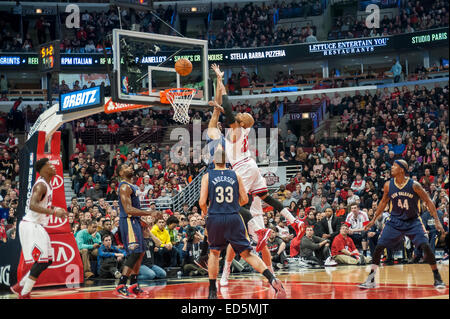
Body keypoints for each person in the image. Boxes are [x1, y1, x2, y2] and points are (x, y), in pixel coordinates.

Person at [199, 148, 286, 299]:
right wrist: (233, 204)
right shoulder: (236, 174)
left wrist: (207, 212)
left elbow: (201, 202)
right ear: (227, 161)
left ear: (214, 161)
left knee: (214, 252)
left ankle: (212, 291)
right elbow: (245, 200)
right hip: (234, 217)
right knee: (248, 253)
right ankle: (271, 278)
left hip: (216, 217)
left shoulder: (207, 176)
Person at [359, 160, 446, 289]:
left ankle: (437, 277)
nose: (392, 168)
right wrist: (373, 219)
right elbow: (383, 202)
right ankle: (371, 278)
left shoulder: (414, 185)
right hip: (394, 221)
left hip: (412, 221)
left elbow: (428, 201)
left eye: (394, 166)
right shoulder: (388, 185)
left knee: (426, 246)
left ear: (402, 169)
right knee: (379, 247)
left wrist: (437, 221)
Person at [10, 158, 68, 298]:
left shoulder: (48, 185)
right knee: (41, 261)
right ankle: (24, 293)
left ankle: (21, 286)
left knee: (48, 260)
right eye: (50, 165)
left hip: (37, 225)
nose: (53, 167)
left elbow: (43, 206)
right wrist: (54, 212)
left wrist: (55, 208)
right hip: (31, 224)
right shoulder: (41, 185)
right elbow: (32, 205)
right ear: (42, 169)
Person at [114, 163, 162, 298]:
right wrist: (149, 213)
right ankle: (121, 285)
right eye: (125, 167)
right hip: (128, 222)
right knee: (134, 253)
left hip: (135, 221)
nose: (130, 167)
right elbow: (128, 210)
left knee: (140, 252)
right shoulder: (124, 186)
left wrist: (142, 221)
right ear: (120, 173)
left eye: (129, 166)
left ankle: (134, 285)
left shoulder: (132, 186)